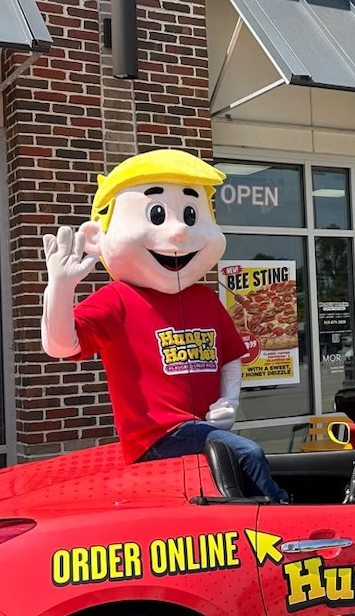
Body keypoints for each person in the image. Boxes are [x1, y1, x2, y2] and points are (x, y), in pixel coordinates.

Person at [41, 148, 288, 501]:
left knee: (238, 467)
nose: (176, 233)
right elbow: (62, 346)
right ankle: (282, 518)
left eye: (191, 214)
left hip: (200, 429)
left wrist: (228, 400)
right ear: (97, 236)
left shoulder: (204, 298)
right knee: (247, 454)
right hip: (155, 436)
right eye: (157, 214)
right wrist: (60, 291)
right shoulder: (118, 298)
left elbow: (230, 354)